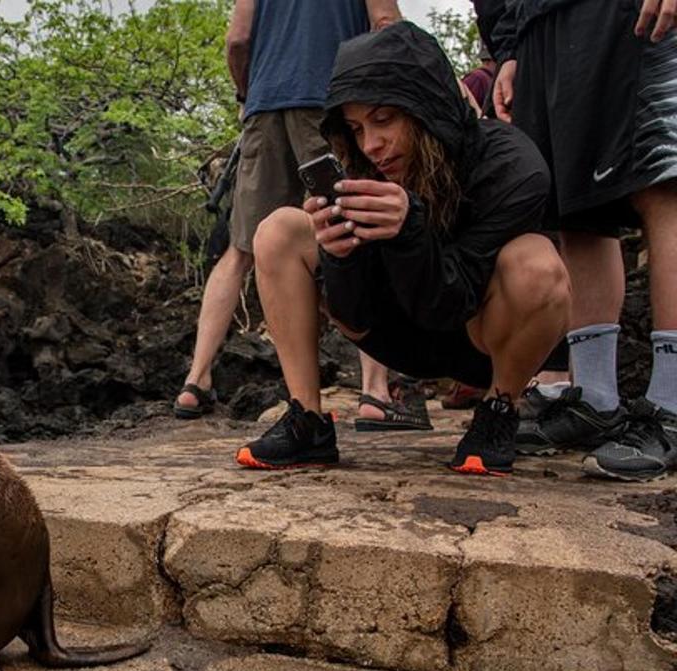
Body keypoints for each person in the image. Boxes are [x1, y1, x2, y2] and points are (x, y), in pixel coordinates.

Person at [234, 21, 571, 476]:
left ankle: (498, 411)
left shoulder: (512, 166)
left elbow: (446, 307)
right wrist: (341, 254)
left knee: (538, 261)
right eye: (355, 128)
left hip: (475, 339)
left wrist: (411, 227)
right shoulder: (364, 168)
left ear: (425, 107)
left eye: (384, 119)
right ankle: (308, 420)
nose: (372, 145)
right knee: (279, 229)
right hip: (390, 330)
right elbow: (355, 316)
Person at [173, 0, 424, 431]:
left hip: (265, 104)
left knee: (240, 249)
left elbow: (238, 39)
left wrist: (247, 94)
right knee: (356, 229)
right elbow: (385, 23)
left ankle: (195, 380)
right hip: (336, 104)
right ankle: (376, 393)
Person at [489, 0, 677, 480]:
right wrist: (511, 47)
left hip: (635, 13)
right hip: (544, 22)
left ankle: (672, 403)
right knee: (578, 208)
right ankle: (594, 400)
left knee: (663, 185)